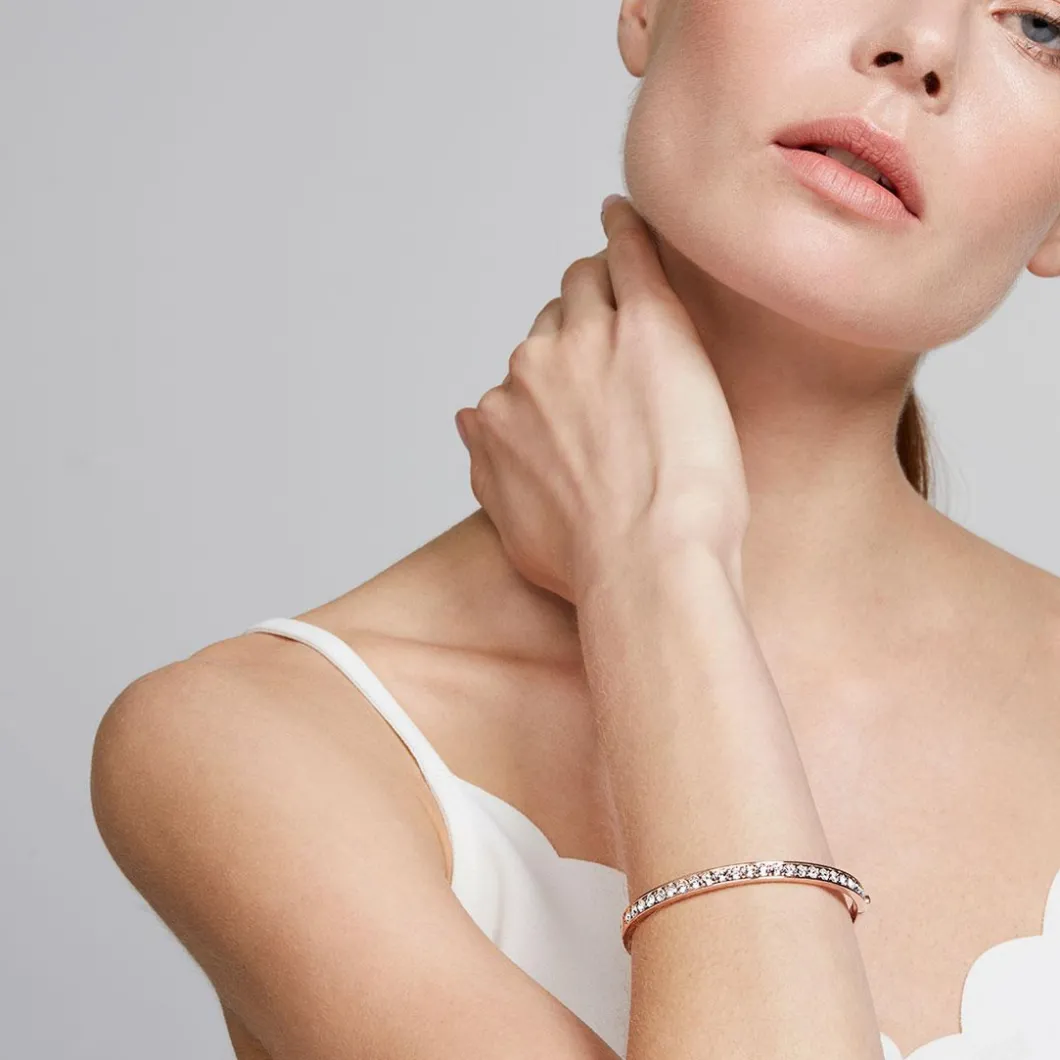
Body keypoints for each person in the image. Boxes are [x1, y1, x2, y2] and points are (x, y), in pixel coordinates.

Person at [89, 2, 1060, 1058]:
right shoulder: (254, 747)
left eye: (1042, 27)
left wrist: (649, 571)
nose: (920, 45)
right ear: (645, 8)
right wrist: (659, 577)